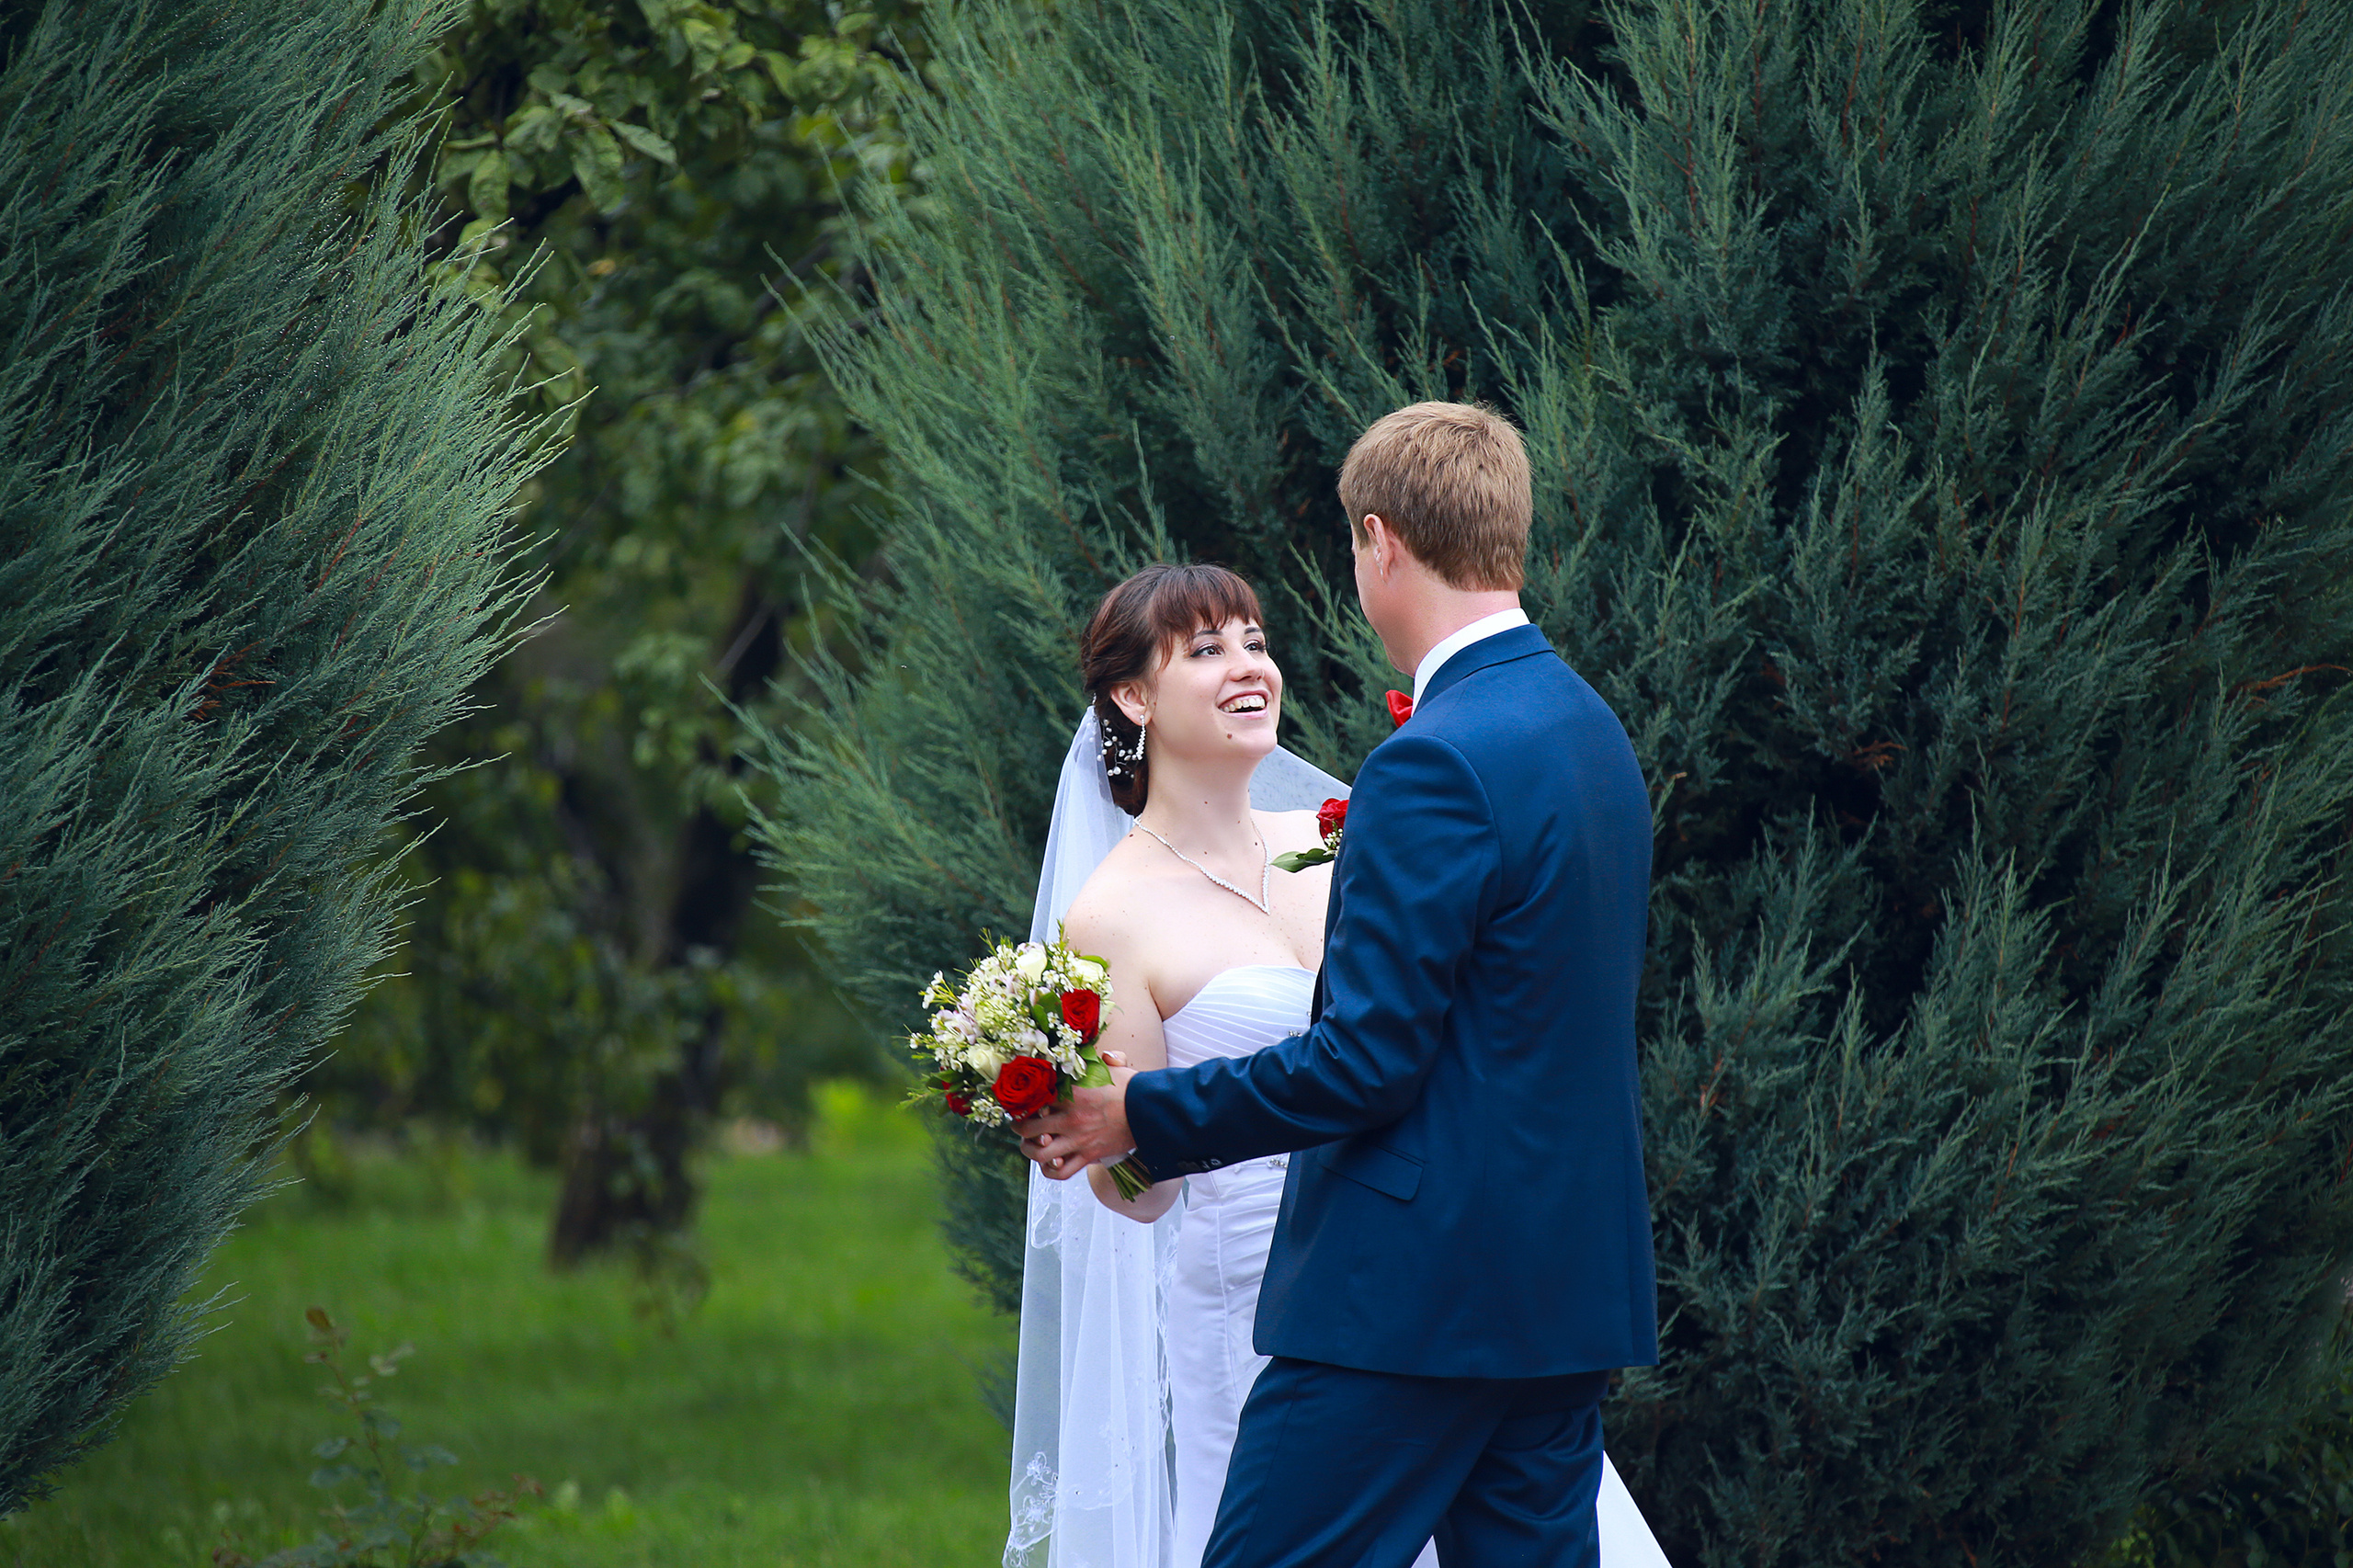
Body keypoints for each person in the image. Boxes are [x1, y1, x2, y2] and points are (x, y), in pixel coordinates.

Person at [1019, 403, 1661, 1568]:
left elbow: (1371, 1058)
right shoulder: (1586, 728)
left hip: (1405, 1303)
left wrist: (1138, 1115)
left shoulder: (1433, 763)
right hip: (1558, 1289)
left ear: (1380, 543)